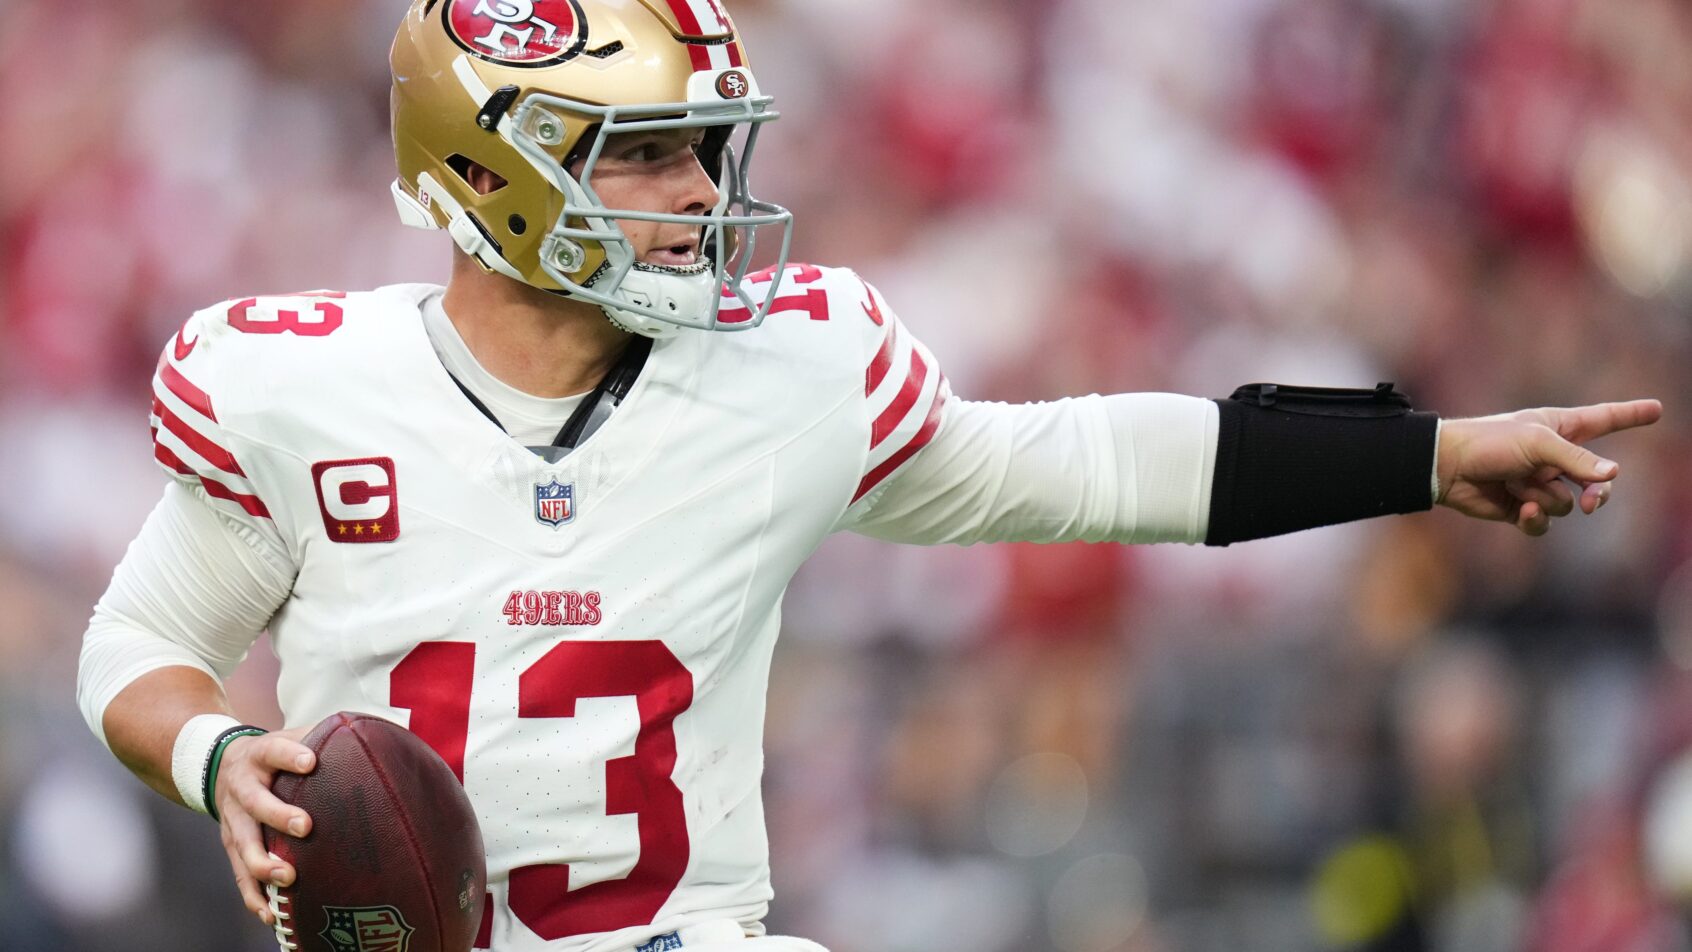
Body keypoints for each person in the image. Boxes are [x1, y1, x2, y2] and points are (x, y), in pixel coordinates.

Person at [76, 2, 1660, 951]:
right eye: (646, 152)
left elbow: (1088, 459)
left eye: (704, 147)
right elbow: (135, 648)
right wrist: (219, 758)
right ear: (490, 170)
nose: (701, 192)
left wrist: (1425, 456)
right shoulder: (299, 385)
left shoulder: (784, 367)